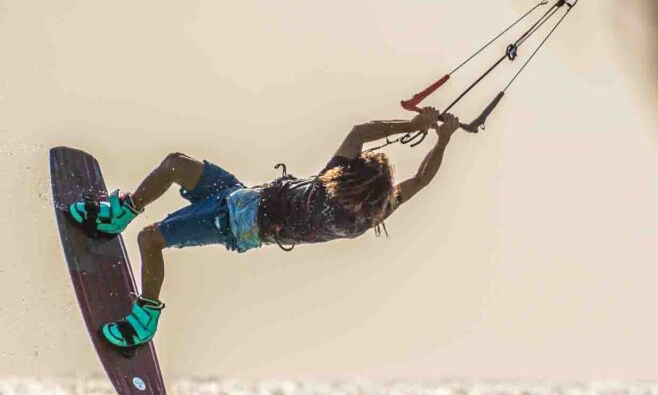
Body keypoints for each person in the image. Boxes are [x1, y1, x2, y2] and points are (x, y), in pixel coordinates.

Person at [68, 107, 460, 349]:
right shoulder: (369, 213)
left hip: (233, 224)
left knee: (150, 239)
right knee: (175, 163)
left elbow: (359, 132)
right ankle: (122, 212)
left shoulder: (331, 190)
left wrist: (412, 124)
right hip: (237, 194)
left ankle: (145, 319)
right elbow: (420, 181)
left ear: (352, 181)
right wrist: (442, 139)